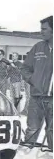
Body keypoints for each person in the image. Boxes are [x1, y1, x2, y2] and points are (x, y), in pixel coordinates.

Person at [20, 15, 53, 149]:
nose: (41, 31)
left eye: (44, 29)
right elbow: (25, 68)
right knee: (32, 131)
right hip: (36, 98)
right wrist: (33, 80)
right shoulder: (38, 47)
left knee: (52, 133)